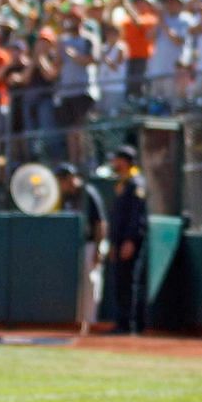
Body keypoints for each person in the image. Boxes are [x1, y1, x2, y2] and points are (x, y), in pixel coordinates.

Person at [56, 164, 107, 338]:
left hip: (91, 243)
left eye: (61, 180)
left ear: (69, 178)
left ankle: (90, 324)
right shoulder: (66, 196)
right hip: (73, 246)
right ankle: (77, 323)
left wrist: (99, 248)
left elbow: (101, 223)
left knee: (91, 282)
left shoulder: (88, 193)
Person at [107, 145, 149, 334]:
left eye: (117, 159)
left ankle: (131, 325)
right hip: (119, 240)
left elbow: (136, 216)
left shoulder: (136, 183)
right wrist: (114, 242)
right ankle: (122, 322)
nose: (114, 163)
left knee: (130, 282)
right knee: (122, 282)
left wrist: (130, 240)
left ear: (124, 161)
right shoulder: (123, 182)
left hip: (130, 241)